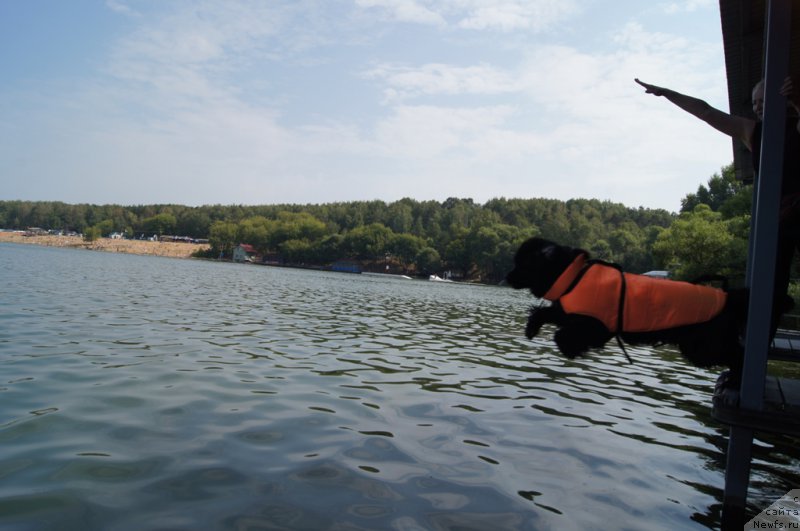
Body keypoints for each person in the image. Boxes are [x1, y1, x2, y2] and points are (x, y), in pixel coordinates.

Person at [635, 76, 800, 334]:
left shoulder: (795, 125)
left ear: (783, 99)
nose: (758, 107)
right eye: (755, 102)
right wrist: (667, 93)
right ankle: (750, 356)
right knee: (769, 290)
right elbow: (705, 111)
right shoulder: (752, 132)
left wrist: (797, 101)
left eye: (764, 101)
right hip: (778, 220)